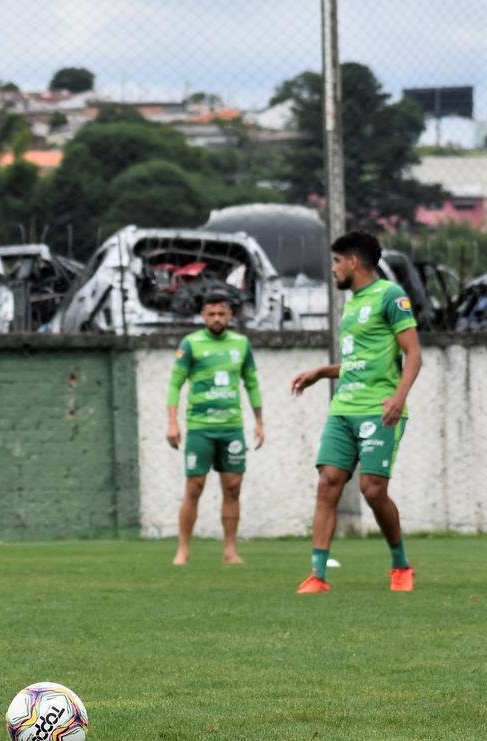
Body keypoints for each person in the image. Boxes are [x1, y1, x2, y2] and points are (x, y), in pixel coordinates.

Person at [291, 230, 421, 594]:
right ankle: (317, 575)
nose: (332, 269)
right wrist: (323, 372)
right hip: (343, 407)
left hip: (378, 408)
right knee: (328, 482)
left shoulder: (390, 296)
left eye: (336, 261)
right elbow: (360, 362)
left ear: (353, 261)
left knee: (372, 489)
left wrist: (398, 397)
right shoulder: (350, 305)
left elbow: (414, 354)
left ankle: (401, 565)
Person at [166, 292, 264, 565]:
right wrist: (172, 422)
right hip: (200, 428)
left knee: (233, 488)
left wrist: (259, 421)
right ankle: (183, 550)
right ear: (203, 316)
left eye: (222, 314)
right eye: (211, 314)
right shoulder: (191, 344)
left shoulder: (241, 344)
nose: (217, 319)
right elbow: (175, 384)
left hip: (231, 428)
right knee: (194, 487)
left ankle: (230, 550)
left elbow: (251, 383)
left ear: (230, 315)